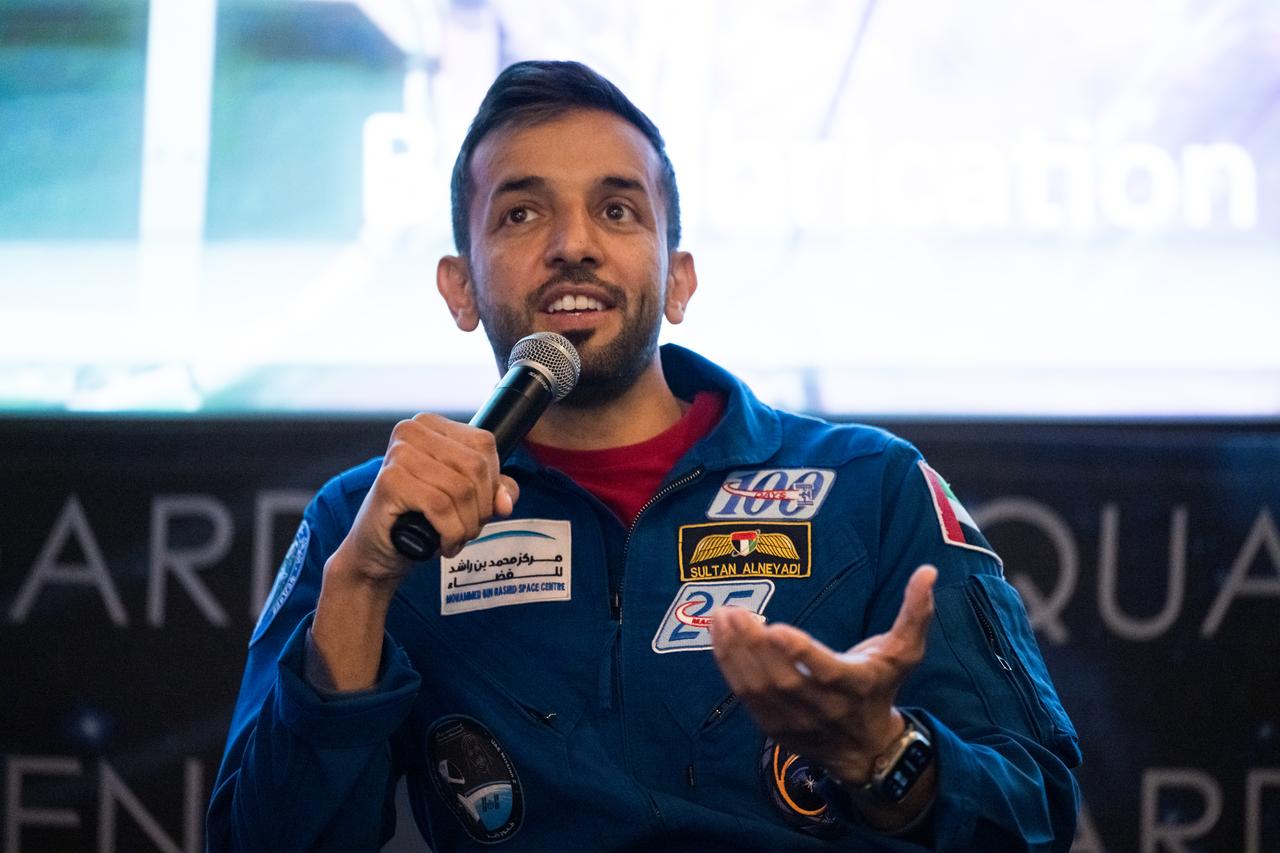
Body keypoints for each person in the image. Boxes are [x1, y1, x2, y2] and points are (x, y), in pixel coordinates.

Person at [208, 60, 1081, 852]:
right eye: (521, 212)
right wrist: (359, 583)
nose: (573, 243)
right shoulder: (371, 523)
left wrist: (884, 757)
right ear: (460, 287)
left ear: (679, 279)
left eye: (617, 208)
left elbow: (1038, 811)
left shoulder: (872, 485)